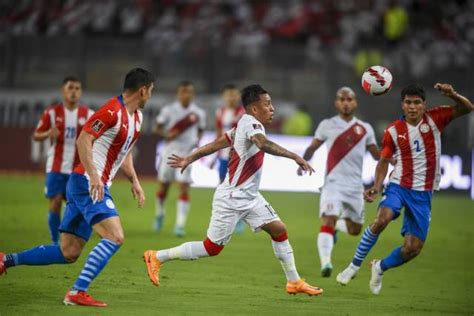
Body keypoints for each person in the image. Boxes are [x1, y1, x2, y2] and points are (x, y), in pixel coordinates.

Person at [144, 84, 323, 296]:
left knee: (279, 230)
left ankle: (294, 282)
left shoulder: (243, 124)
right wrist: (295, 156)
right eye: (267, 104)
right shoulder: (251, 125)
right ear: (254, 109)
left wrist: (190, 157)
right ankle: (157, 256)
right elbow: (262, 143)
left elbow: (218, 143)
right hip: (232, 197)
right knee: (211, 248)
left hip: (250, 196)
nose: (273, 108)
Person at [0, 68, 155, 307]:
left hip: (88, 184)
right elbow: (84, 138)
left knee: (68, 251)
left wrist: (134, 181)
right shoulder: (112, 110)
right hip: (87, 184)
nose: (150, 97)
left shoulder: (137, 118)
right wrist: (94, 176)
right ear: (143, 90)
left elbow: (125, 153)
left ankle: (6, 260)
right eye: (150, 92)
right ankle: (77, 291)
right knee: (115, 236)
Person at [336, 83, 473, 295]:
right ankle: (353, 266)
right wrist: (376, 185)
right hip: (399, 185)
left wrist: (453, 94)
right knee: (382, 219)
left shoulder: (436, 118)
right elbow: (383, 161)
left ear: (424, 105)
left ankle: (380, 267)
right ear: (402, 105)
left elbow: (467, 108)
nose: (412, 107)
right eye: (408, 102)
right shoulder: (393, 130)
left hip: (423, 193)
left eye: (417, 103)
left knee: (412, 248)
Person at [298, 87, 380, 277]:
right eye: (342, 99)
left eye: (349, 99)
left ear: (355, 103)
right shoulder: (327, 125)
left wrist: (390, 158)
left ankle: (335, 227)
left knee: (355, 229)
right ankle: (326, 263)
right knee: (328, 219)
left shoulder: (365, 128)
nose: (345, 103)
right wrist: (303, 162)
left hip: (354, 187)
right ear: (336, 103)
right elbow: (312, 148)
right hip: (332, 183)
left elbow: (376, 155)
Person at [33, 76, 93, 245]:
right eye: (70, 88)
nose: (74, 92)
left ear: (80, 92)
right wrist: (47, 134)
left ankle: (70, 237)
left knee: (75, 206)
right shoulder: (52, 113)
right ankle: (54, 241)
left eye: (77, 88)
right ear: (63, 91)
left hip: (78, 168)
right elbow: (36, 135)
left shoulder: (89, 115)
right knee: (55, 201)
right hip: (56, 165)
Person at [154, 81, 206, 236]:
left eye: (189, 91)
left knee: (184, 187)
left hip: (186, 155)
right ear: (178, 94)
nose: (186, 94)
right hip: (169, 153)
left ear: (193, 94)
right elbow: (157, 128)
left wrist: (196, 142)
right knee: (164, 186)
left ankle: (180, 225)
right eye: (183, 91)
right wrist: (167, 134)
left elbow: (201, 130)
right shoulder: (168, 110)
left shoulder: (198, 113)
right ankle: (160, 214)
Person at [213, 84, 245, 233]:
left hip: (238, 157)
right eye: (229, 95)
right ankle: (224, 218)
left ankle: (239, 219)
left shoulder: (243, 113)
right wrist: (214, 154)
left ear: (238, 96)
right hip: (223, 156)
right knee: (222, 187)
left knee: (238, 188)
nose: (231, 98)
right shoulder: (220, 112)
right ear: (224, 96)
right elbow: (218, 134)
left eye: (234, 94)